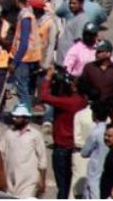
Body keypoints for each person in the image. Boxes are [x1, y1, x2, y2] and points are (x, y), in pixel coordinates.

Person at [41, 67, 86, 200]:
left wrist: (48, 78)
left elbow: (44, 96)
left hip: (62, 148)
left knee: (63, 186)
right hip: (74, 147)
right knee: (71, 184)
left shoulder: (69, 102)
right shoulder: (82, 101)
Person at [0, 104, 48, 198]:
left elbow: (42, 160)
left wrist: (42, 180)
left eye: (18, 117)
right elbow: (1, 154)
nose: (14, 119)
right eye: (14, 116)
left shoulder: (35, 135)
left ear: (26, 119)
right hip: (10, 183)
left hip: (28, 182)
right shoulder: (9, 134)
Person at [8, 0, 44, 113]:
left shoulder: (25, 17)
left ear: (17, 1)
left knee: (22, 89)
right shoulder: (29, 14)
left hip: (25, 58)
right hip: (31, 57)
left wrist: (14, 62)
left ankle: (25, 113)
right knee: (26, 88)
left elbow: (23, 43)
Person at [81, 101, 112, 199]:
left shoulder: (96, 132)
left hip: (95, 168)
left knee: (92, 191)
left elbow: (84, 152)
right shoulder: (111, 129)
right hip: (108, 168)